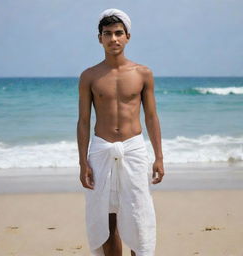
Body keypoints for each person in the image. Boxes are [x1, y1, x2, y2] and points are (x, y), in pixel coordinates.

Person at [77, 8, 164, 256]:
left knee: (137, 214)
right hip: (101, 150)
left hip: (134, 149)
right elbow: (83, 121)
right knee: (106, 217)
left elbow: (151, 116)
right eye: (107, 34)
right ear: (100, 38)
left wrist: (159, 157)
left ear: (127, 36)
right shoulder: (89, 76)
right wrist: (83, 162)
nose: (113, 38)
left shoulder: (142, 73)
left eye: (118, 33)